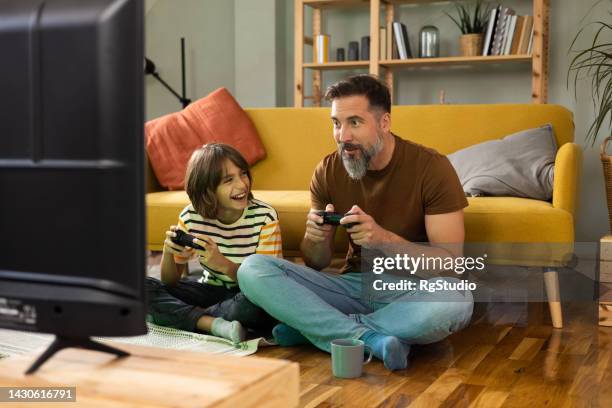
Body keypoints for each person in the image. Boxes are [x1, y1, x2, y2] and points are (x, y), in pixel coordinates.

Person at [237, 75, 474, 370]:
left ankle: (319, 329)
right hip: (352, 286)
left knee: (456, 299)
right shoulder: (328, 170)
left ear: (384, 122)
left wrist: (382, 239)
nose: (342, 136)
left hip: (414, 289)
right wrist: (316, 237)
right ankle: (370, 338)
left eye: (354, 123)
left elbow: (450, 264)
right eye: (336, 123)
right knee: (253, 269)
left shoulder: (432, 168)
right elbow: (315, 262)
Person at [146, 143, 282, 344]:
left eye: (243, 174)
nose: (242, 185)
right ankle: (211, 324)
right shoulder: (191, 216)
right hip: (209, 291)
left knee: (252, 309)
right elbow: (170, 281)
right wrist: (168, 252)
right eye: (229, 180)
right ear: (207, 189)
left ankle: (183, 317)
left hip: (248, 295)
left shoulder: (264, 217)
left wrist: (223, 265)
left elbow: (265, 285)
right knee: (141, 287)